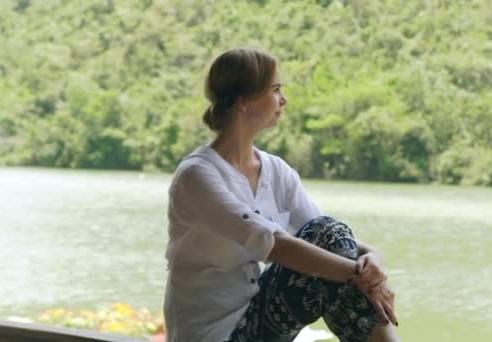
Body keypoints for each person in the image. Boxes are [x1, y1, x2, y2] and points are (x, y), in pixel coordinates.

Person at [164, 48, 399, 342]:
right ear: (243, 102)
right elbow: (274, 245)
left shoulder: (276, 170)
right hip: (214, 334)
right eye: (275, 89)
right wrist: (357, 274)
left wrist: (373, 260)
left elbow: (330, 239)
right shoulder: (197, 176)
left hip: (258, 321)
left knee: (329, 233)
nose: (283, 100)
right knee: (333, 249)